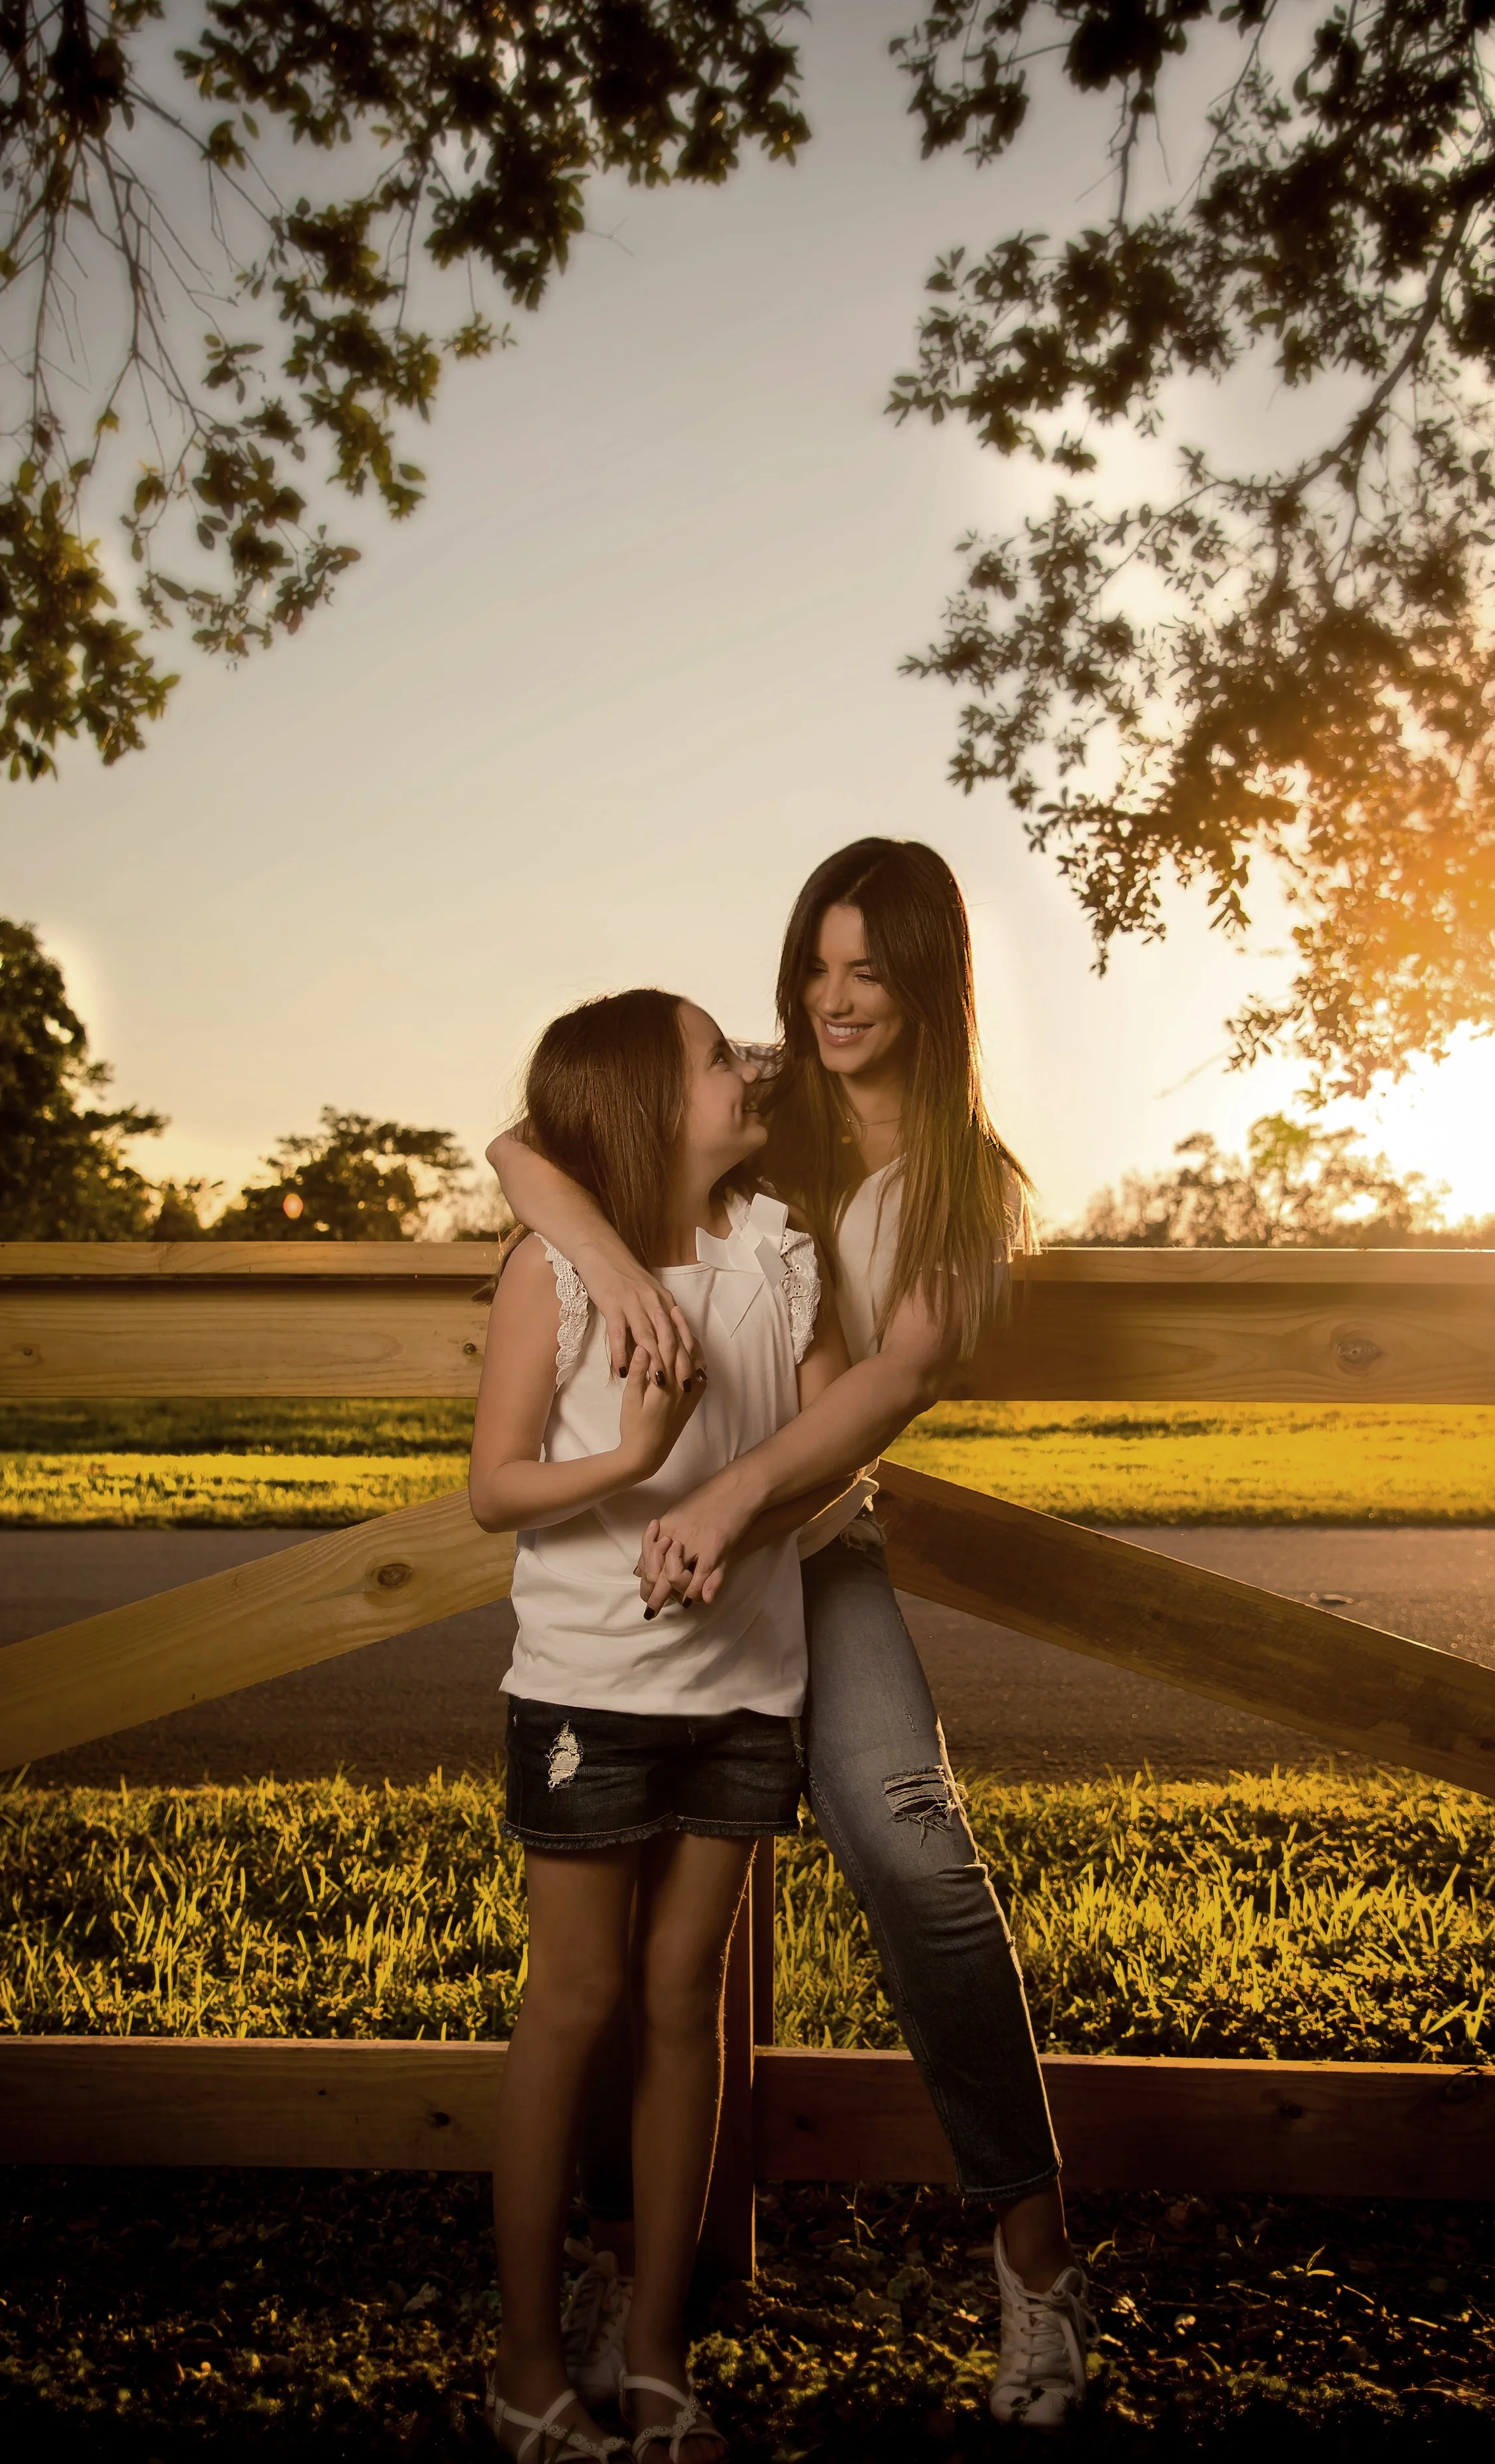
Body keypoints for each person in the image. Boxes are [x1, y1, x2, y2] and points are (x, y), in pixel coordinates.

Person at [490, 840, 1098, 2430]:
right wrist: (611, 1263)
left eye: (868, 970)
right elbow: (526, 1139)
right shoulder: (767, 1110)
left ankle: (1031, 2257)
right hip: (680, 1563)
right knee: (632, 1959)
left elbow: (882, 1392)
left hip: (807, 1545)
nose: (830, 999)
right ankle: (633, 2297)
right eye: (814, 964)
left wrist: (736, 1507)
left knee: (908, 1841)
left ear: (928, 983)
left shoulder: (973, 1191)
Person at [471, 986, 852, 2463]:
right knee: (571, 2004)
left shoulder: (777, 1252)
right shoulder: (556, 1276)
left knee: (684, 2002)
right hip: (588, 1692)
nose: (749, 1065)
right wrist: (630, 1459)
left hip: (746, 1690)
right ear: (642, 1105)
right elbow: (495, 1486)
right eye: (713, 1057)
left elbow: (823, 1453)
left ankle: (651, 2350)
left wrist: (744, 1519)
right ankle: (520, 2361)